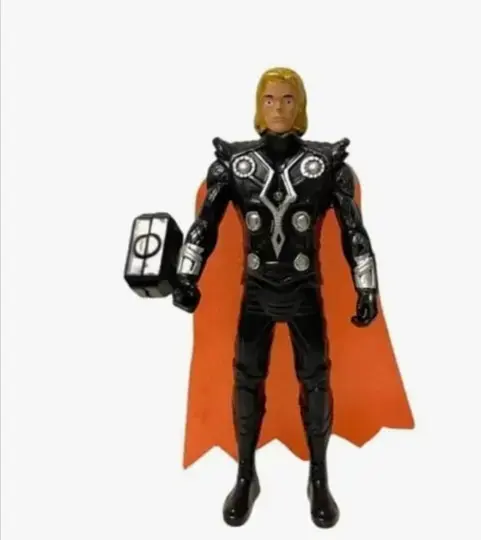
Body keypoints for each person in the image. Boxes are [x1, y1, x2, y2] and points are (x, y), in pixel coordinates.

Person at [172, 67, 414, 528]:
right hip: (256, 293)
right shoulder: (234, 164)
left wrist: (367, 285)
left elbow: (354, 231)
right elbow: (204, 226)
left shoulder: (326, 165)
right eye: (269, 99)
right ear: (257, 105)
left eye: (287, 99)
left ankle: (318, 476)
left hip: (304, 292)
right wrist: (187, 275)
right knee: (246, 381)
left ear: (300, 105)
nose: (278, 108)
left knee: (316, 382)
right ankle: (246, 474)